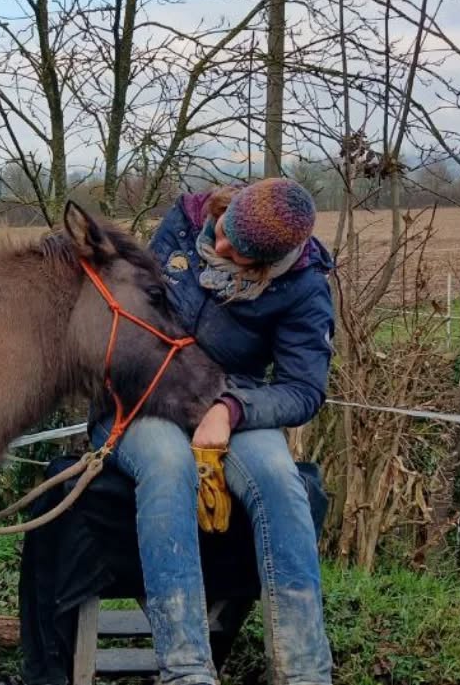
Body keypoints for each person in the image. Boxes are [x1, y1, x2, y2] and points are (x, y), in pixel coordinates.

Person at [87, 178, 335, 684]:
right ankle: (187, 671)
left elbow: (303, 390)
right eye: (223, 229)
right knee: (167, 464)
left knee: (281, 482)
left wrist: (230, 410)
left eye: (239, 252)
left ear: (270, 262)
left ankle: (305, 672)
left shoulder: (304, 285)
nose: (219, 246)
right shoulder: (184, 221)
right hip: (142, 397)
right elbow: (131, 307)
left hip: (232, 399)